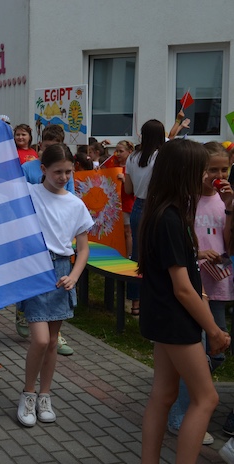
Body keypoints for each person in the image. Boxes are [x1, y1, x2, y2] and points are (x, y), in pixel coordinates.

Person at [138, 138, 231, 464]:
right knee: (206, 398)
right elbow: (183, 288)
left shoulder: (162, 212)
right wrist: (214, 331)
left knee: (163, 395)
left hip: (162, 317)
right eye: (201, 171)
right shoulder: (172, 219)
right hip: (176, 321)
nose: (207, 177)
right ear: (184, 173)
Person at [16, 143, 93, 428]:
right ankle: (28, 393)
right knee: (40, 339)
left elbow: (83, 249)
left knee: (51, 342)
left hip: (62, 272)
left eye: (68, 172)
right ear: (43, 169)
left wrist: (74, 275)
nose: (63, 177)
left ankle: (45, 396)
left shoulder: (75, 204)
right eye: (57, 171)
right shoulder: (29, 194)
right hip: (36, 271)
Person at [165, 141, 234, 446]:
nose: (218, 176)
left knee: (215, 352)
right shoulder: (186, 202)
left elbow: (229, 245)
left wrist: (229, 207)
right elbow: (179, 245)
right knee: (203, 352)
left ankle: (184, 396)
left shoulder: (225, 201)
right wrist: (199, 253)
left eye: (224, 170)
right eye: (212, 170)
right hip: (196, 287)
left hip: (221, 283)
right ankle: (182, 414)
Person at [17, 124, 76, 356]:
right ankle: (24, 311)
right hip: (33, 244)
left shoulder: (66, 178)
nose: (62, 177)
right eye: (48, 147)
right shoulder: (27, 170)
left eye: (56, 146)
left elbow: (70, 198)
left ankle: (55, 334)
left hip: (58, 250)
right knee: (39, 330)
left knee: (51, 325)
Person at [124, 120, 165, 317]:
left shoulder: (132, 157)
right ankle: (156, 301)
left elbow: (128, 189)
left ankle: (135, 303)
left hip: (138, 206)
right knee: (160, 255)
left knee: (137, 256)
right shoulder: (162, 156)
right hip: (159, 206)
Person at [114, 140, 136, 260]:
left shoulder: (132, 167)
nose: (118, 154)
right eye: (116, 151)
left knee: (127, 231)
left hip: (127, 203)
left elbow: (136, 188)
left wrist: (124, 180)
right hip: (115, 204)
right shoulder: (114, 166)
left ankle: (129, 256)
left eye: (121, 151)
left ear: (129, 152)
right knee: (119, 231)